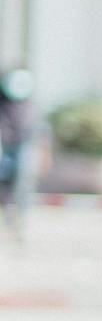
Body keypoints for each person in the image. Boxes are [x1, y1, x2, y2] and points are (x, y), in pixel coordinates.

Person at [0, 68, 39, 241]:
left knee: (22, 188)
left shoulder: (29, 105)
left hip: (23, 149)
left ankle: (18, 224)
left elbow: (34, 129)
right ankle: (8, 222)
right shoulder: (4, 103)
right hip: (5, 150)